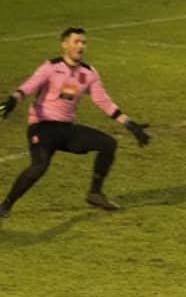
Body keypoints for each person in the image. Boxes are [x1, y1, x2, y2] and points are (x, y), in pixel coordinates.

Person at [0, 27, 150, 220]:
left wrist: (130, 125)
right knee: (39, 166)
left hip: (66, 129)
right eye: (76, 42)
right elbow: (30, 85)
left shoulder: (88, 73)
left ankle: (95, 193)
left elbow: (103, 101)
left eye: (83, 42)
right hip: (42, 126)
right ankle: (6, 204)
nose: (81, 46)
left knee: (108, 144)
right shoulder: (51, 67)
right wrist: (13, 100)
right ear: (65, 45)